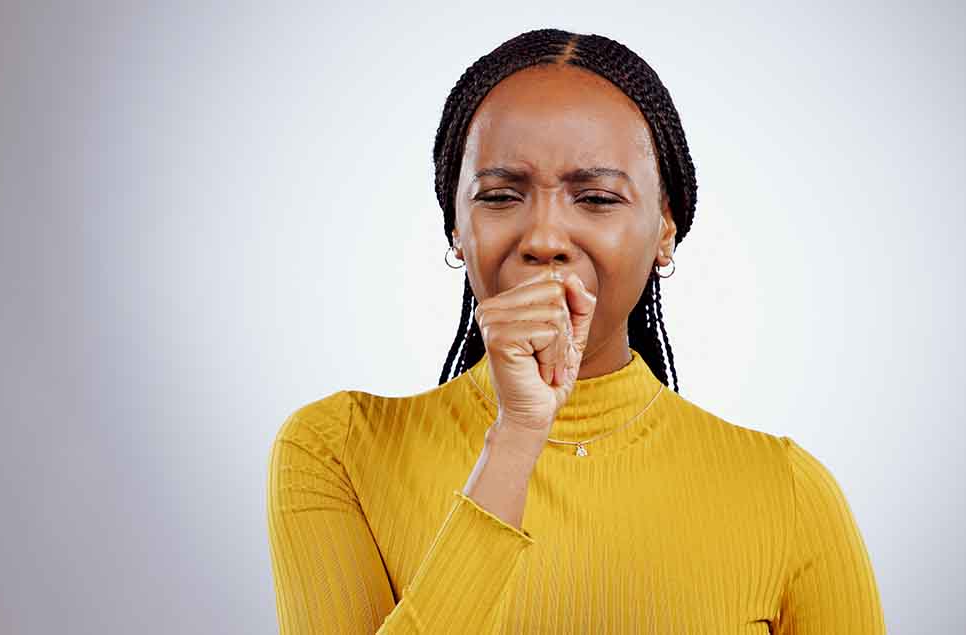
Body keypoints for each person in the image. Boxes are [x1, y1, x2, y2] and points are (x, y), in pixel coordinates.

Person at [267, 28, 885, 634]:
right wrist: (517, 436)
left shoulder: (786, 492)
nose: (542, 239)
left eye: (595, 198)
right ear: (455, 227)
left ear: (666, 227)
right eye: (501, 195)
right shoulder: (338, 449)